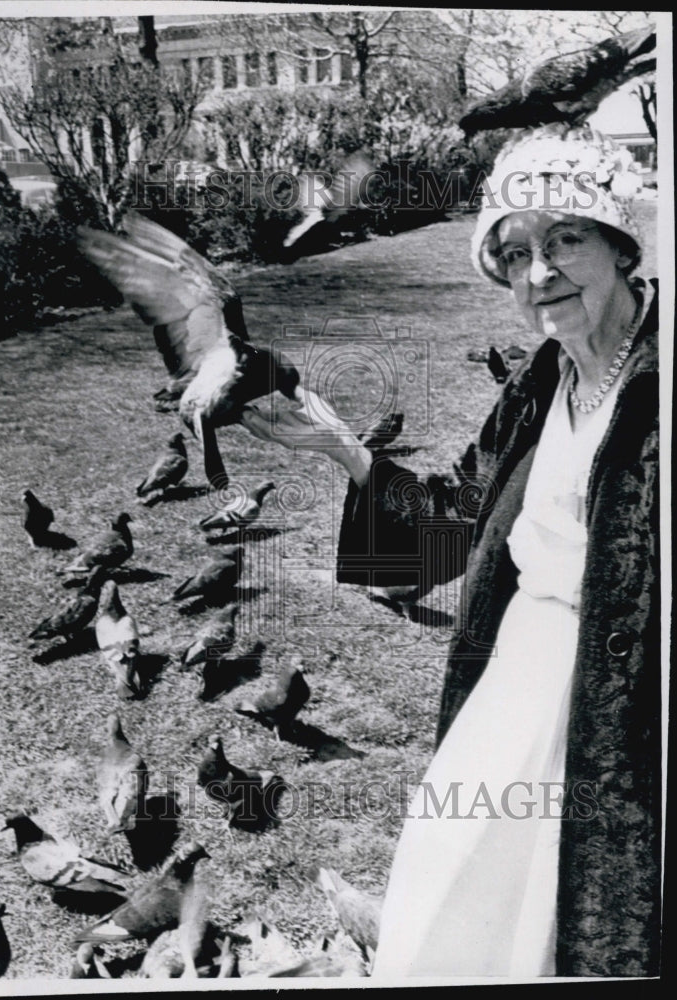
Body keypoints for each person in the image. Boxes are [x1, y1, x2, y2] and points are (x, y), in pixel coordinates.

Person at [241, 125, 660, 978]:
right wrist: (342, 449)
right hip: (514, 676)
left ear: (620, 249)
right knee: (459, 899)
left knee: (593, 917)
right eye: (513, 255)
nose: (537, 273)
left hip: (631, 704)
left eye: (564, 240)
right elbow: (452, 520)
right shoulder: (539, 382)